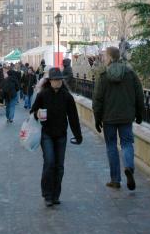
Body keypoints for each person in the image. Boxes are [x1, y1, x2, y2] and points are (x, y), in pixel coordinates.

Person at [92, 47, 144, 190]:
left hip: (108, 118)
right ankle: (128, 167)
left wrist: (97, 118)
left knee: (111, 146)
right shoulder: (130, 73)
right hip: (126, 116)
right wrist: (140, 113)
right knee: (127, 143)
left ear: (109, 57)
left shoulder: (103, 76)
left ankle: (115, 180)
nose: (103, 59)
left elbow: (97, 99)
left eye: (104, 56)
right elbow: (139, 94)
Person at [31, 67, 83, 207]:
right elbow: (33, 110)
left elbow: (73, 117)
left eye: (59, 80)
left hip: (61, 135)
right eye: (55, 80)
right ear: (50, 81)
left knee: (59, 166)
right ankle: (47, 194)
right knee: (49, 163)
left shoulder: (67, 96)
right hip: (46, 134)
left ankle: (55, 195)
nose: (57, 82)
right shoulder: (43, 95)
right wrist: (37, 114)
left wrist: (78, 135)